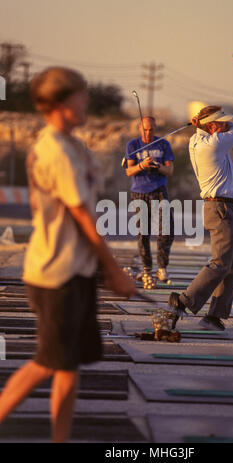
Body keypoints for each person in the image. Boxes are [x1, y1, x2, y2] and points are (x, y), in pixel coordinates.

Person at [0, 67, 135, 443]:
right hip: (55, 274)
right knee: (48, 362)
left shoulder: (74, 145)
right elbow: (82, 219)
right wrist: (115, 271)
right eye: (81, 95)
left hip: (77, 270)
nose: (87, 101)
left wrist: (100, 269)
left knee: (68, 366)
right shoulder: (54, 150)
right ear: (61, 102)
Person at [168, 105, 233, 331]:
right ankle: (183, 301)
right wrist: (201, 122)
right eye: (220, 123)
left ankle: (214, 316)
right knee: (220, 263)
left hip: (225, 208)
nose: (225, 126)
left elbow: (221, 128)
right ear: (211, 126)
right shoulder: (215, 144)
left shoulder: (196, 140)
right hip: (223, 208)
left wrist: (199, 124)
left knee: (231, 266)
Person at [125, 116, 175, 282]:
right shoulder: (133, 145)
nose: (148, 132)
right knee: (143, 233)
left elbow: (169, 170)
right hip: (139, 192)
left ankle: (162, 267)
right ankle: (146, 268)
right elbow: (129, 171)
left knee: (166, 231)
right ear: (140, 129)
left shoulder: (163, 144)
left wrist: (157, 166)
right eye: (145, 129)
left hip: (159, 190)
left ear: (155, 128)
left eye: (151, 129)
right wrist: (142, 165)